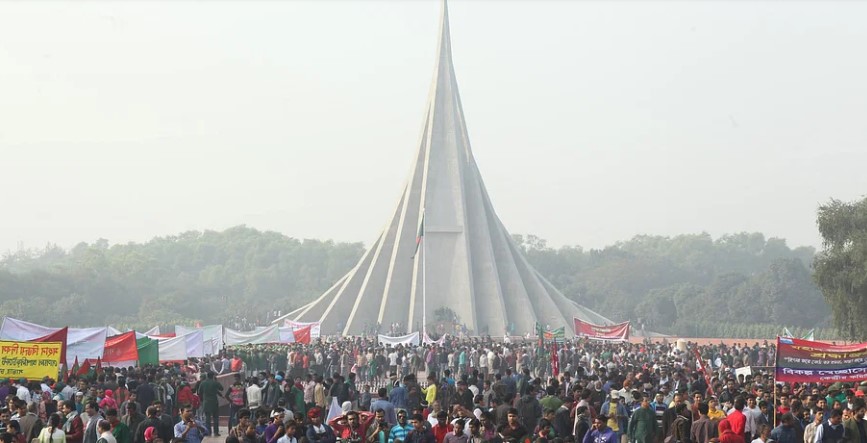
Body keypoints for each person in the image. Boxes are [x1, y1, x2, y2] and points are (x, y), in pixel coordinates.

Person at [196, 372, 223, 437]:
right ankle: (216, 432)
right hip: (214, 403)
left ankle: (208, 432)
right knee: (215, 418)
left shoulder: (203, 383)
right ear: (213, 376)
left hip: (206, 403)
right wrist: (216, 381)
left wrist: (202, 399)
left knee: (207, 419)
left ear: (207, 376)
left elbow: (199, 392)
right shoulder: (214, 382)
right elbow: (221, 388)